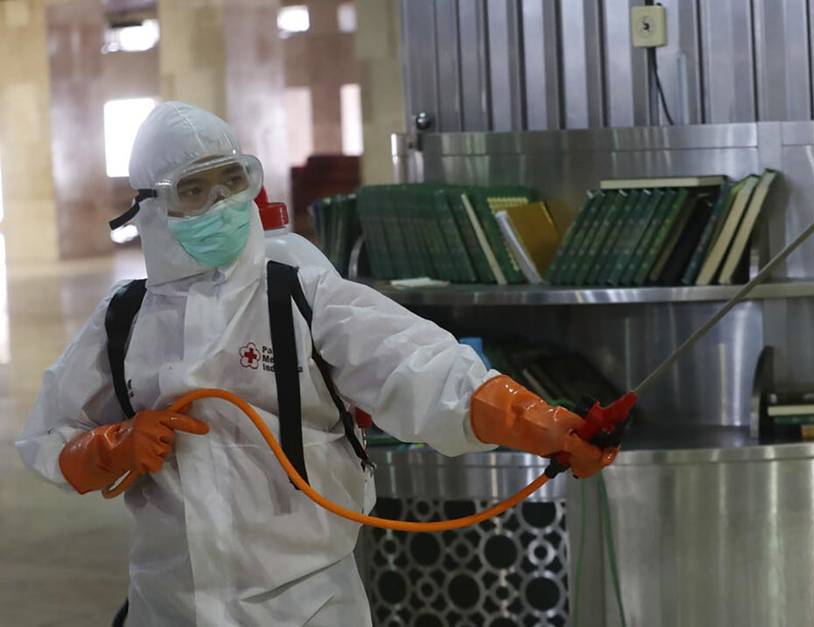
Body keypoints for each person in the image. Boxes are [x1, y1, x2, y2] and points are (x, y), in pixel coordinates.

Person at [16, 102, 617, 626]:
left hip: (307, 605)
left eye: (232, 181)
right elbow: (47, 436)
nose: (222, 204)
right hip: (171, 606)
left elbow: (421, 368)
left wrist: (540, 423)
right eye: (194, 191)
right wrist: (111, 447)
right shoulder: (123, 322)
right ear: (149, 208)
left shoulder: (299, 295)